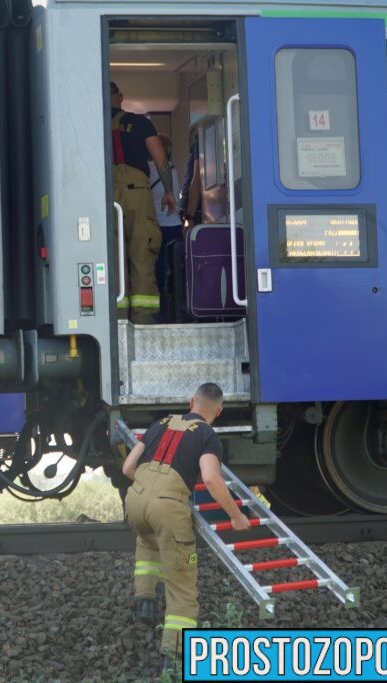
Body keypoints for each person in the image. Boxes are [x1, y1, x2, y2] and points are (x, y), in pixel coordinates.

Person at [121, 383, 250, 670]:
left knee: (149, 538)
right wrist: (235, 515)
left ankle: (144, 602)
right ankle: (173, 656)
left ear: (191, 401)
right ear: (218, 411)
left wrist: (148, 490)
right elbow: (212, 479)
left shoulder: (160, 423)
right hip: (167, 507)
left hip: (135, 502)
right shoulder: (207, 436)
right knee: (181, 583)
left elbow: (128, 467)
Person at [110, 81, 176, 324]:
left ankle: (116, 317)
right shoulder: (139, 122)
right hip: (136, 193)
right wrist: (168, 192)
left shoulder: (91, 120)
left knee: (111, 256)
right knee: (141, 252)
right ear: (121, 98)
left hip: (103, 193)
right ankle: (143, 319)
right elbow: (160, 159)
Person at [147, 134, 182, 321]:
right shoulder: (173, 170)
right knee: (176, 272)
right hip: (175, 226)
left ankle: (159, 314)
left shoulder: (149, 169)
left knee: (157, 271)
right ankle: (176, 309)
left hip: (157, 226)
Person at [178, 133, 202, 231]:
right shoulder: (200, 143)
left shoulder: (200, 143)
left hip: (192, 209)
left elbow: (197, 179)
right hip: (191, 207)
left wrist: (189, 216)